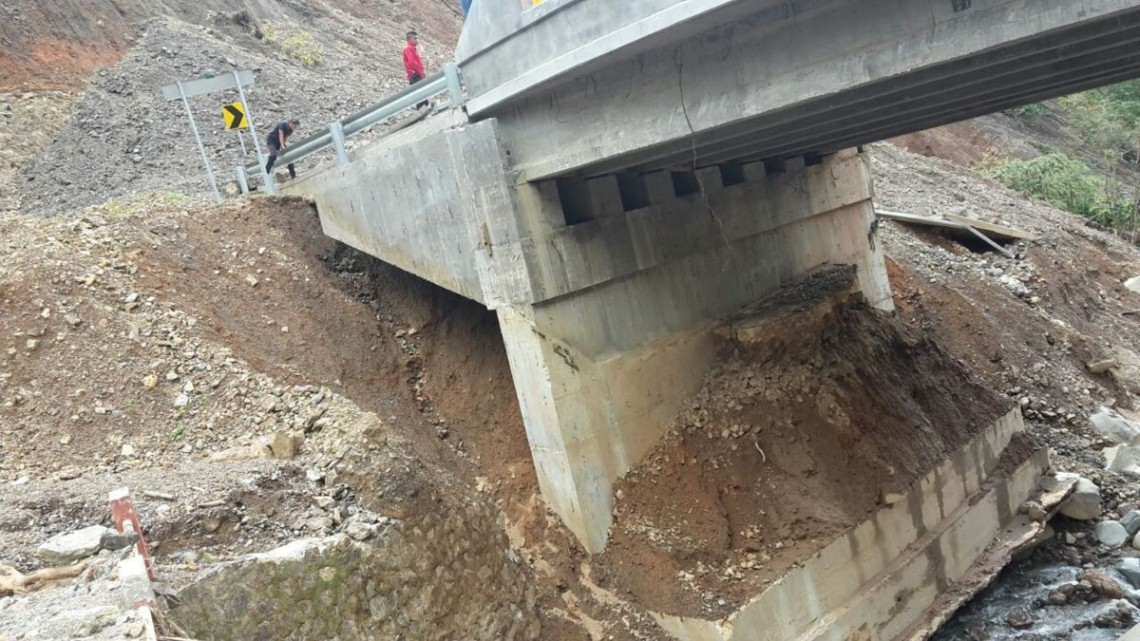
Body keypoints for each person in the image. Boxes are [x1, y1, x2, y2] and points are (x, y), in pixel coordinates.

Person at [403, 31, 429, 109]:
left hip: (416, 75)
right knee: (420, 96)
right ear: (410, 39)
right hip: (415, 75)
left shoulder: (412, 49)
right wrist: (421, 73)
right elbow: (412, 63)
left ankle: (424, 110)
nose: (416, 40)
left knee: (422, 95)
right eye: (415, 38)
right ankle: (421, 110)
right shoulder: (408, 49)